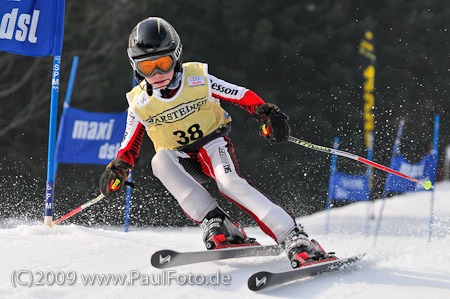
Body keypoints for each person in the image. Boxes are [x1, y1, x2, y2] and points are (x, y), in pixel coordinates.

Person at [99, 17, 333, 268]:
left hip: (212, 146)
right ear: (135, 67)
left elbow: (240, 94)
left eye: (163, 64)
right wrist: (118, 168)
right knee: (158, 160)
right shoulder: (139, 103)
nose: (156, 74)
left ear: (176, 56)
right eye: (147, 68)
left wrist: (267, 114)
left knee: (228, 183)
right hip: (181, 160)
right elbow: (130, 143)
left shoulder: (197, 79)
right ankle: (217, 221)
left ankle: (293, 236)